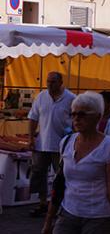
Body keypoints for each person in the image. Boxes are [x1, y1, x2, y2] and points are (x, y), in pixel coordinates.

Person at [41, 92, 110, 234]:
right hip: (68, 213)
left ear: (97, 116)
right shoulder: (66, 142)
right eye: (73, 114)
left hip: (98, 219)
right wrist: (49, 221)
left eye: (82, 114)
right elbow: (59, 183)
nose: (76, 119)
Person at [28, 71, 76, 217]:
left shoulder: (71, 98)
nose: (49, 85)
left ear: (61, 83)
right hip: (42, 144)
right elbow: (33, 118)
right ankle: (43, 203)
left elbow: (75, 122)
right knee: (38, 173)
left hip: (62, 145)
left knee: (61, 175)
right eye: (48, 82)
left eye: (52, 82)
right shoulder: (41, 97)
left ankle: (61, 205)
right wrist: (31, 138)